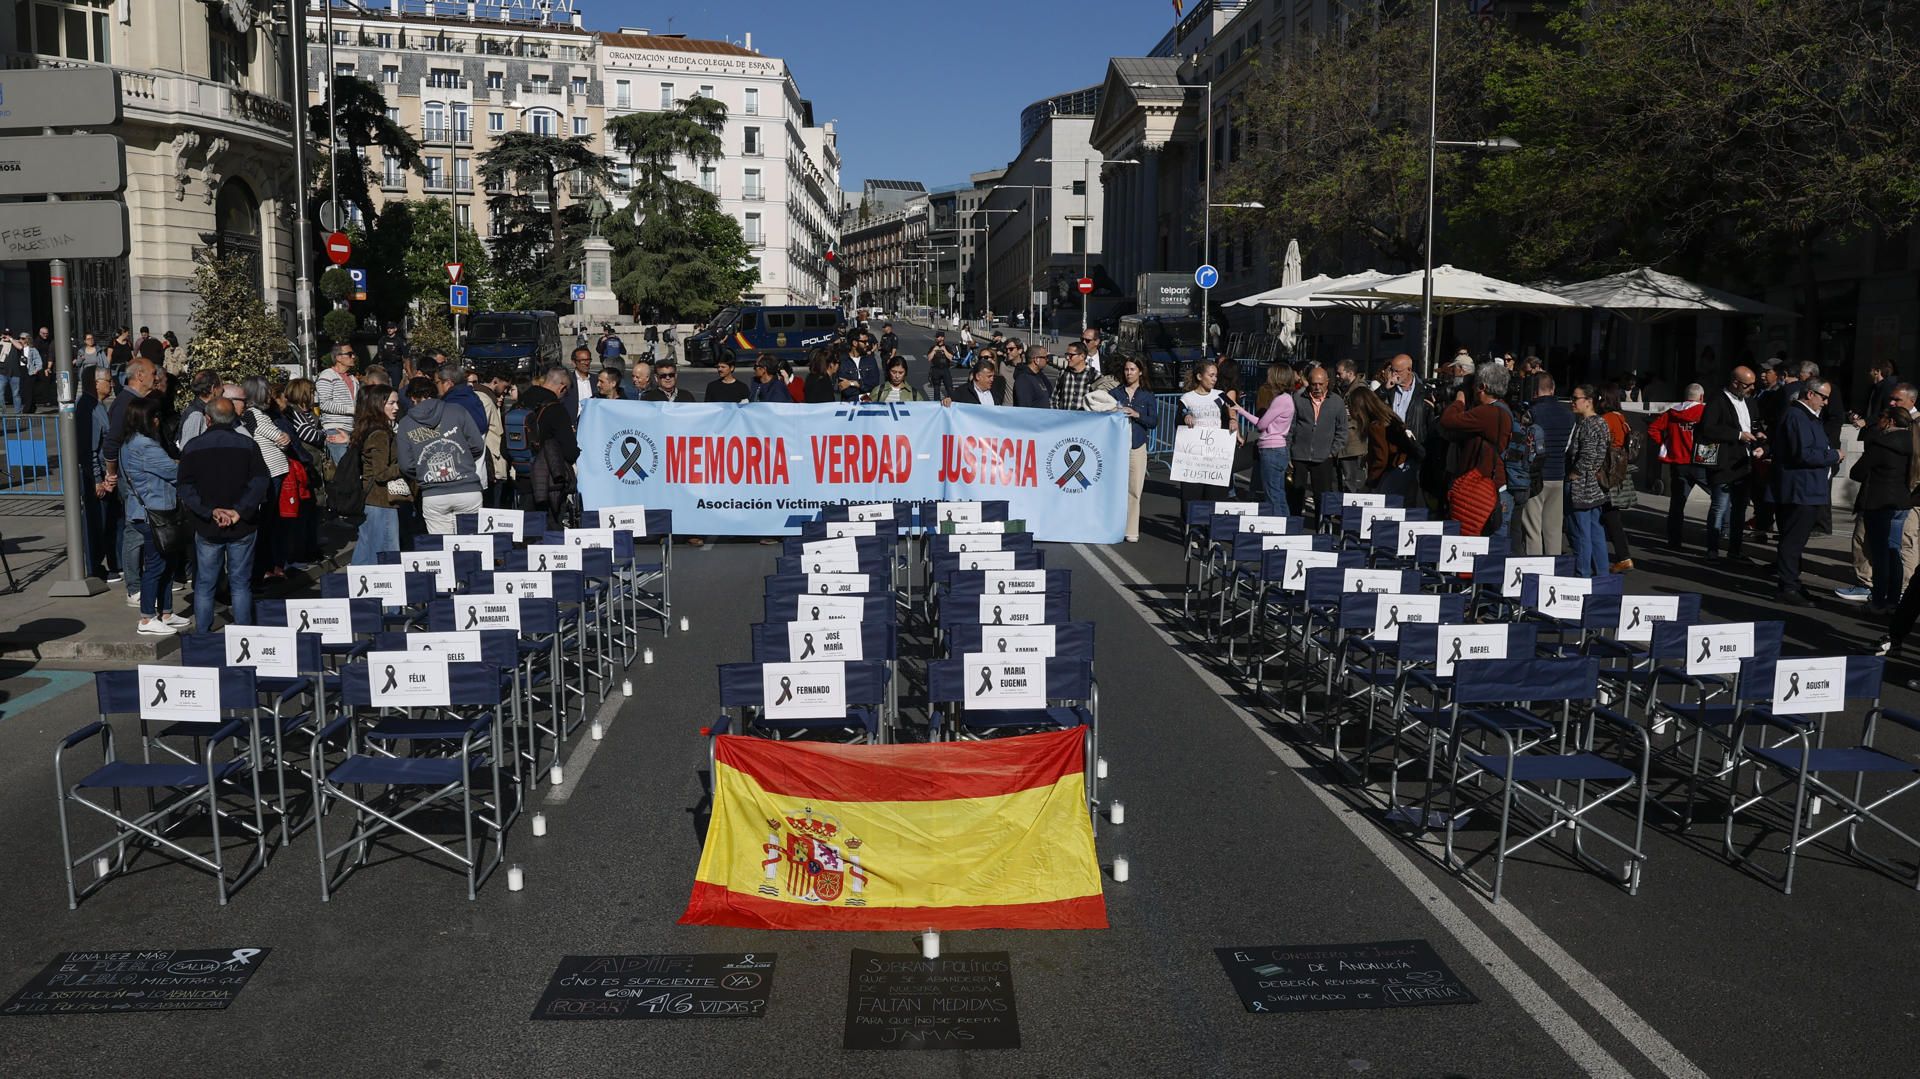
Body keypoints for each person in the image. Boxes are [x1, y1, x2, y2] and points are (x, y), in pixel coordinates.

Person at [178, 397, 270, 633]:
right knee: (240, 583)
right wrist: (240, 510)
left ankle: (203, 636)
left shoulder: (193, 447)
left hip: (208, 524)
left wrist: (209, 512)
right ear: (234, 419)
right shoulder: (247, 445)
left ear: (207, 419)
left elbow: (185, 487)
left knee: (205, 584)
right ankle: (244, 634)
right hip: (242, 524)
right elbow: (260, 481)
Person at [120, 394, 188, 634]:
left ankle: (166, 613)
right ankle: (147, 618)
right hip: (152, 513)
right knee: (156, 566)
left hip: (151, 511)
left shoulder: (130, 443)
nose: (159, 420)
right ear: (147, 420)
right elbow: (173, 471)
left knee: (167, 562)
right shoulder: (144, 446)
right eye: (156, 416)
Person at [1770, 377, 1840, 606]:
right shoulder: (1797, 416)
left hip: (1808, 488)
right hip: (1800, 489)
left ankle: (1793, 583)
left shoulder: (1808, 417)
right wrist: (1834, 456)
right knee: (1792, 540)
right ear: (1810, 394)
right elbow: (1805, 454)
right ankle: (1788, 586)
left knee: (1796, 540)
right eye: (1823, 397)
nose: (1826, 402)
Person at [1851, 400, 1918, 614]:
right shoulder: (1914, 443)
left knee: (1880, 556)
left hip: (1879, 502)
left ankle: (1879, 601)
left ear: (1889, 421)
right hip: (1902, 502)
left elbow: (1857, 472)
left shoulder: (1882, 444)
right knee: (1893, 552)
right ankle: (1892, 601)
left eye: (1881, 419)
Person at [396, 376, 486, 534]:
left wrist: (423, 472)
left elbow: (406, 465)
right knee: (471, 545)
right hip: (467, 488)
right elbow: (477, 445)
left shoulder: (405, 423)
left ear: (412, 397)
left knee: (442, 549)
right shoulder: (457, 410)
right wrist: (463, 460)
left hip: (433, 493)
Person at [102, 355, 157, 607]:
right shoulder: (126, 403)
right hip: (130, 477)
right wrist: (111, 474)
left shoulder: (138, 401)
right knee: (134, 528)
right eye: (153, 373)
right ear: (140, 375)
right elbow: (112, 443)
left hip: (138, 475)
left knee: (141, 527)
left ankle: (141, 582)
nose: (156, 377)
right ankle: (133, 587)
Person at [1439, 361, 1514, 537]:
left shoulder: (1487, 413)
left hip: (1484, 495)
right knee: (1493, 553)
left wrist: (1459, 400)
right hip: (1496, 489)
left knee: (1483, 552)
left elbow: (1447, 421)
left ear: (1482, 387)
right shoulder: (1503, 410)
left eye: (1474, 386)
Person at [1695, 366, 1762, 561]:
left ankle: (1735, 549)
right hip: (1723, 463)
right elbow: (1708, 429)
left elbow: (1754, 424)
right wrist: (1738, 435)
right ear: (1735, 382)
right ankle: (1713, 548)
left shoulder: (1749, 402)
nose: (1751, 388)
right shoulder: (1718, 401)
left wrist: (1759, 436)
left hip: (1743, 463)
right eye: (1747, 385)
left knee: (1740, 509)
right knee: (1720, 506)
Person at [235, 378, 293, 581]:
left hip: (273, 472)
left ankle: (269, 564)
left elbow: (283, 441)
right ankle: (267, 567)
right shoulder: (257, 416)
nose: (270, 396)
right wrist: (284, 440)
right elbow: (281, 438)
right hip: (271, 472)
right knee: (270, 521)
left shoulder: (256, 415)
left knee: (272, 520)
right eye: (267, 392)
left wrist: (284, 441)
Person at [1519, 374, 1575, 555]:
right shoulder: (1569, 415)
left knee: (1532, 529)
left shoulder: (1532, 413)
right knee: (1553, 530)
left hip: (1536, 476)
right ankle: (1553, 571)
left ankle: (1534, 573)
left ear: (1534, 391)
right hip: (1558, 475)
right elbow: (1569, 447)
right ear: (1552, 389)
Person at [1646, 385, 1707, 550]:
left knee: (1677, 504)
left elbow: (1653, 429)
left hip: (1678, 462)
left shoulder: (1673, 412)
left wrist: (1665, 444)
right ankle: (1718, 537)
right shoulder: (1705, 412)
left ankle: (1674, 540)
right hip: (1700, 463)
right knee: (1720, 499)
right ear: (1701, 397)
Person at [350, 385, 405, 565]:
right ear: (378, 405)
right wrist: (405, 465)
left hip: (373, 501)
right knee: (386, 556)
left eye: (397, 402)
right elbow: (381, 473)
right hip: (382, 501)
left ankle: (356, 589)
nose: (396, 407)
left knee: (366, 551)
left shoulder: (370, 428)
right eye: (391, 403)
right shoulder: (380, 433)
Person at [1234, 361, 1297, 515]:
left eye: (1270, 375)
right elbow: (1264, 423)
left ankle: (1278, 528)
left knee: (1272, 494)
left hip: (1272, 449)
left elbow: (1261, 424)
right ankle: (1286, 526)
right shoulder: (1286, 399)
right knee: (1278, 492)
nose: (1267, 377)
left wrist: (1242, 412)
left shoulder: (1280, 400)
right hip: (1277, 448)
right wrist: (1241, 410)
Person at [1288, 365, 1348, 522]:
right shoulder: (1298, 398)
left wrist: (1331, 452)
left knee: (1322, 498)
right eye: (1314, 383)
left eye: (1321, 384)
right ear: (1308, 382)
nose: (1317, 387)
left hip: (1323, 457)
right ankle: (1293, 529)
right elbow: (1291, 427)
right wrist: (1289, 451)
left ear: (1327, 382)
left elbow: (1342, 431)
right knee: (1295, 495)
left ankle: (1322, 532)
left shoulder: (1336, 402)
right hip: (1299, 454)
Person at [1564, 386, 1611, 577]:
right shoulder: (1601, 422)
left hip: (1582, 487)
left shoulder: (1588, 424)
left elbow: (1588, 455)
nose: (1572, 402)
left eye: (1576, 398)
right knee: (1596, 532)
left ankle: (1582, 576)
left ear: (1588, 401)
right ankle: (1602, 575)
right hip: (1596, 487)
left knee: (1581, 534)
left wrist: (1572, 475)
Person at [1110, 357, 1157, 541]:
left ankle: (1130, 530)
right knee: (1116, 488)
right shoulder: (1115, 393)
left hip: (1137, 446)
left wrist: (1137, 414)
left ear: (1140, 372)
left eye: (1132, 369)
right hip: (1117, 447)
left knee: (1134, 489)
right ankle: (1114, 526)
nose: (1128, 373)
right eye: (1126, 369)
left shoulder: (1147, 395)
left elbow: (1153, 421)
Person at [1351, 384, 1421, 499]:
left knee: (1385, 506)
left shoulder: (1376, 426)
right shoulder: (1387, 414)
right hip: (1407, 464)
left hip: (1395, 468)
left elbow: (1381, 458)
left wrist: (1371, 481)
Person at [1595, 386, 1637, 571]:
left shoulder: (1606, 419)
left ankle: (1620, 556)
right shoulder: (1620, 417)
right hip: (1618, 470)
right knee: (1611, 514)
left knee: (1606, 514)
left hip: (1606, 471)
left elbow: (1602, 445)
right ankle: (1623, 556)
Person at [316, 344, 359, 463]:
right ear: (338, 358)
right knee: (344, 470)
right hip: (335, 429)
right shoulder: (327, 376)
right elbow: (324, 404)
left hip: (352, 430)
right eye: (350, 354)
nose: (353, 357)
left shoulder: (353, 379)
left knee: (352, 469)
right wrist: (352, 410)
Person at [837, 331, 882, 401]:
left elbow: (875, 383)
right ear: (855, 343)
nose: (867, 344)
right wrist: (863, 392)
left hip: (870, 402)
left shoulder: (871, 360)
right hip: (850, 404)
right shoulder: (843, 361)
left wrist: (854, 383)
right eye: (864, 342)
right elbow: (845, 389)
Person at [1050, 343, 1094, 411]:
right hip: (1065, 419)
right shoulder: (1063, 374)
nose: (1067, 358)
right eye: (1066, 355)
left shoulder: (1094, 375)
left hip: (1085, 420)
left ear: (1082, 356)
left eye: (1071, 355)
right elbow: (1054, 399)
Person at [564, 347, 595, 415]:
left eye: (588, 360)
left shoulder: (596, 380)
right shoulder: (567, 381)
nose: (586, 363)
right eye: (582, 360)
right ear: (574, 363)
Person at [927, 331, 955, 401]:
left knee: (949, 388)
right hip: (935, 369)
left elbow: (951, 358)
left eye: (938, 337)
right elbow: (929, 358)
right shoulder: (933, 347)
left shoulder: (947, 347)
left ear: (942, 338)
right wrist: (934, 350)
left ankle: (951, 402)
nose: (936, 338)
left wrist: (944, 350)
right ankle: (936, 404)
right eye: (936, 337)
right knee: (936, 389)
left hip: (945, 369)